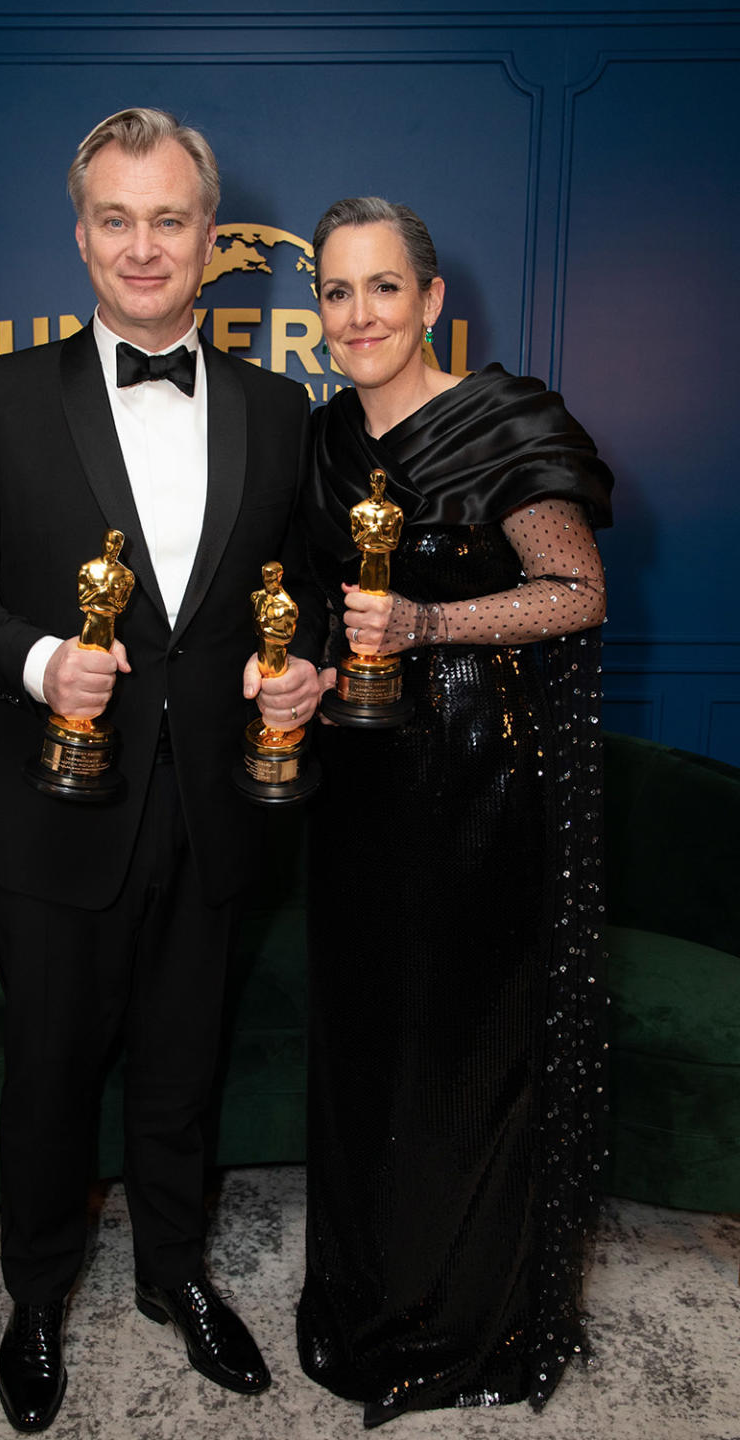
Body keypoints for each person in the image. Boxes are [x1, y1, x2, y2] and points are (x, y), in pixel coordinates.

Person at [0, 107, 320, 1434]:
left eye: (171, 218)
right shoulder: (2, 394)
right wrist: (38, 663)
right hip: (57, 808)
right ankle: (36, 1295)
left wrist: (299, 666)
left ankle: (174, 1276)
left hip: (216, 808)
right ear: (80, 234)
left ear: (213, 235)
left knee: (184, 1062)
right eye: (115, 218)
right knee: (49, 1068)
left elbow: (292, 593)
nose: (144, 246)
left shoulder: (277, 404)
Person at [296, 196, 613, 1428]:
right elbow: (330, 615)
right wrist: (309, 674)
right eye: (336, 292)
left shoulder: (506, 419)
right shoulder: (326, 445)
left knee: (462, 1057)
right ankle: (369, 1295)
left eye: (384, 288)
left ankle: (465, 1314)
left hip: (483, 783)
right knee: (365, 1050)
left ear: (431, 300)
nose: (358, 315)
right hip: (359, 785)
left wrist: (430, 624)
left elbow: (574, 593)